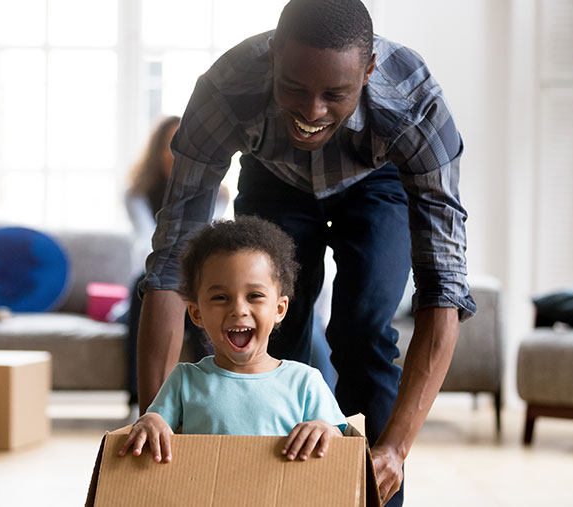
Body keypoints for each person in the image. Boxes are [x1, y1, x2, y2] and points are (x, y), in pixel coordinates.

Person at [137, 1, 476, 504]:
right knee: (274, 332)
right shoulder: (225, 89)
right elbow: (171, 263)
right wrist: (154, 421)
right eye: (294, 86)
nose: (311, 111)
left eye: (334, 93)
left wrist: (397, 451)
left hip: (377, 181)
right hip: (274, 178)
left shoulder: (415, 106)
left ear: (368, 72)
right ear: (273, 57)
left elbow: (443, 286)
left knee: (362, 329)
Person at [118, 217, 346, 463]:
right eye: (220, 298)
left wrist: (326, 429)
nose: (238, 309)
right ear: (196, 313)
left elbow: (341, 443)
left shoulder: (305, 382)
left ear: (279, 309)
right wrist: (150, 421)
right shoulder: (184, 381)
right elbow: (154, 426)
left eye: (255, 295)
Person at [121, 116, 225, 407]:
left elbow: (212, 237)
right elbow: (144, 242)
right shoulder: (137, 195)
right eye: (169, 146)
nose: (176, 155)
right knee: (144, 287)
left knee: (206, 299)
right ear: (156, 152)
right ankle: (139, 400)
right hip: (152, 276)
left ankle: (212, 394)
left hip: (199, 274)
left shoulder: (218, 194)